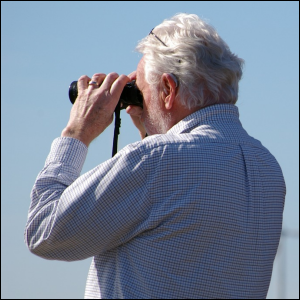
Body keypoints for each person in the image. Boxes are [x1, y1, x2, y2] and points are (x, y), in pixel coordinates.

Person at [25, 13, 286, 299]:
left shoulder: (156, 160)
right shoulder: (267, 168)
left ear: (168, 90)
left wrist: (77, 133)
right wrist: (151, 130)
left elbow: (44, 232)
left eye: (142, 91)